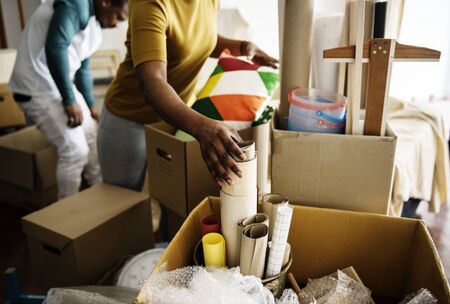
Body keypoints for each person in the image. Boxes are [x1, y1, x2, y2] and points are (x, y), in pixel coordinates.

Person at [98, 0, 277, 192]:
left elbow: (201, 39)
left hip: (176, 117)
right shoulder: (149, 4)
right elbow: (153, 82)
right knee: (124, 203)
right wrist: (203, 127)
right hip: (130, 120)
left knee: (169, 197)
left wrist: (242, 47)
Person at [9, 0, 128, 199]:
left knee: (91, 134)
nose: (117, 24)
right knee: (75, 150)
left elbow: (82, 70)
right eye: (119, 16)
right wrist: (69, 100)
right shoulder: (77, 4)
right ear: (106, 2)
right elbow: (56, 46)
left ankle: (99, 197)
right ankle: (67, 215)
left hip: (53, 84)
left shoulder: (94, 27)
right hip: (35, 85)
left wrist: (89, 105)